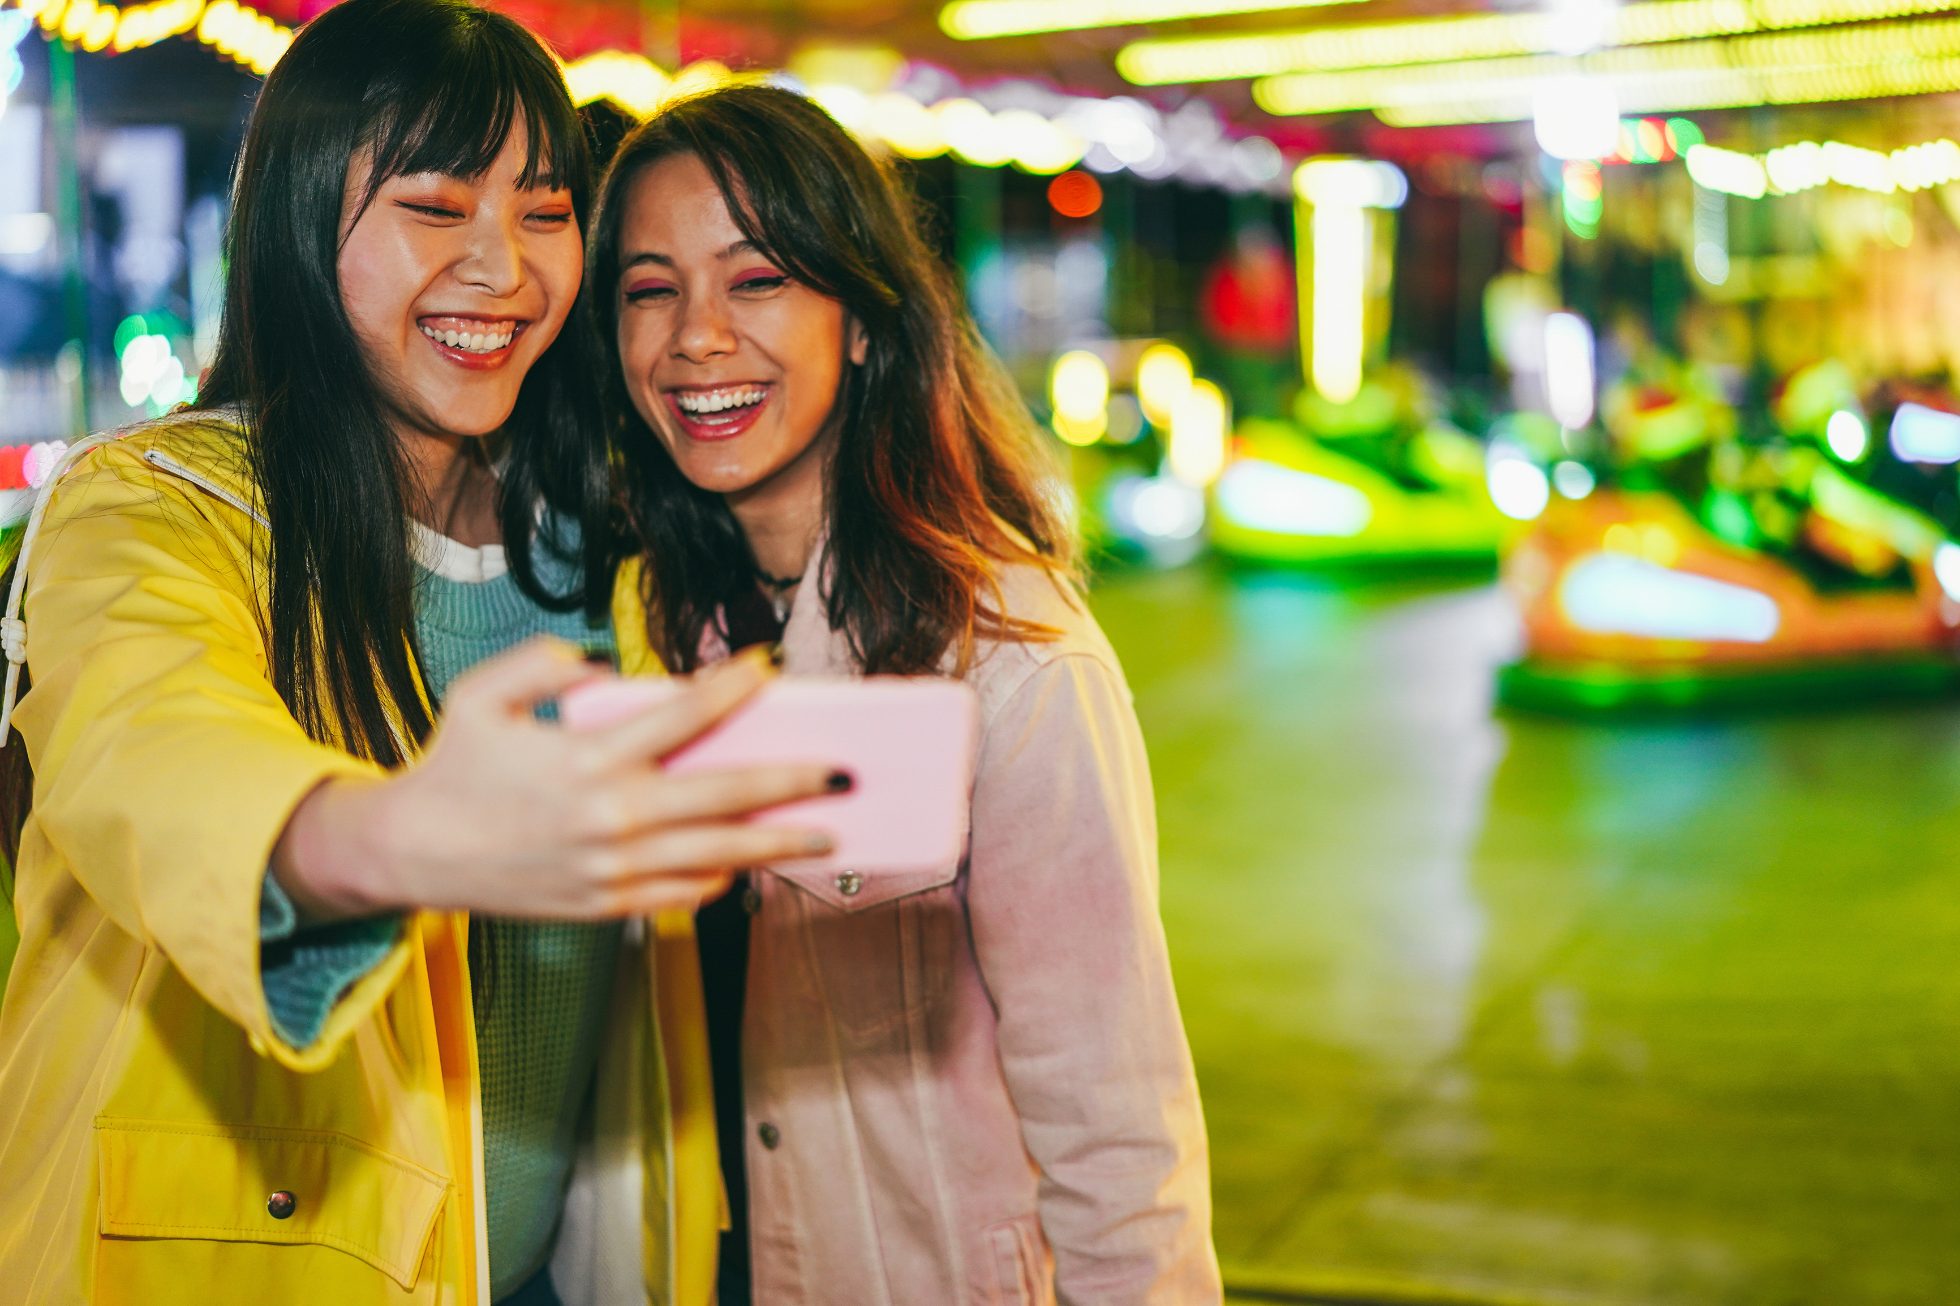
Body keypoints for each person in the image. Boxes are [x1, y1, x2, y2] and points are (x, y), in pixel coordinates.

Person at [0, 4, 842, 1303]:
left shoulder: (604, 554)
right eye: (437, 207)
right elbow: (139, 739)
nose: (504, 268)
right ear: (295, 218)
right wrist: (385, 837)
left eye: (548, 212)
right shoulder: (156, 506)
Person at [588, 84, 1223, 1305]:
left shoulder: (1009, 658)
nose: (695, 337)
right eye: (651, 288)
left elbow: (1116, 1126)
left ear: (865, 321)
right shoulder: (659, 631)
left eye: (758, 278)